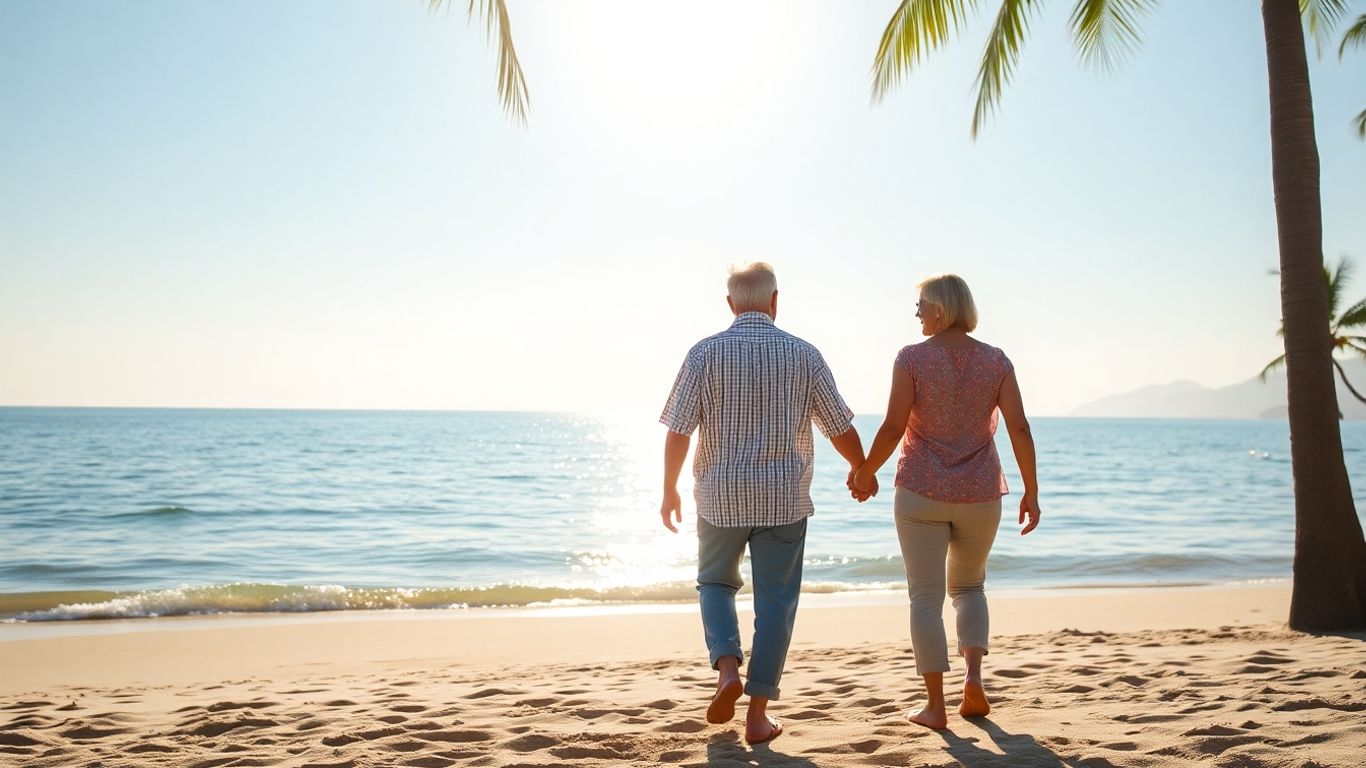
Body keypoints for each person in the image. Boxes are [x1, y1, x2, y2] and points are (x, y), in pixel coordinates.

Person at [659, 262, 872, 745]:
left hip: (720, 497)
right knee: (776, 603)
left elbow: (678, 430)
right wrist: (860, 470)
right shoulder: (804, 354)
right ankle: (757, 715)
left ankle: (727, 669)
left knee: (715, 583)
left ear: (731, 304)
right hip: (783, 498)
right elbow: (838, 425)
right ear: (776, 301)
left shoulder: (703, 354)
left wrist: (669, 488)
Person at [850, 273, 1040, 731]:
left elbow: (894, 427)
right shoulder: (996, 361)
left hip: (920, 491)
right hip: (979, 493)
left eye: (920, 305)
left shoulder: (911, 359)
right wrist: (1031, 490)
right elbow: (1019, 428)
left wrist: (866, 471)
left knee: (926, 597)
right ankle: (973, 678)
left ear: (940, 308)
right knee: (970, 588)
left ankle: (935, 706)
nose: (916, 313)